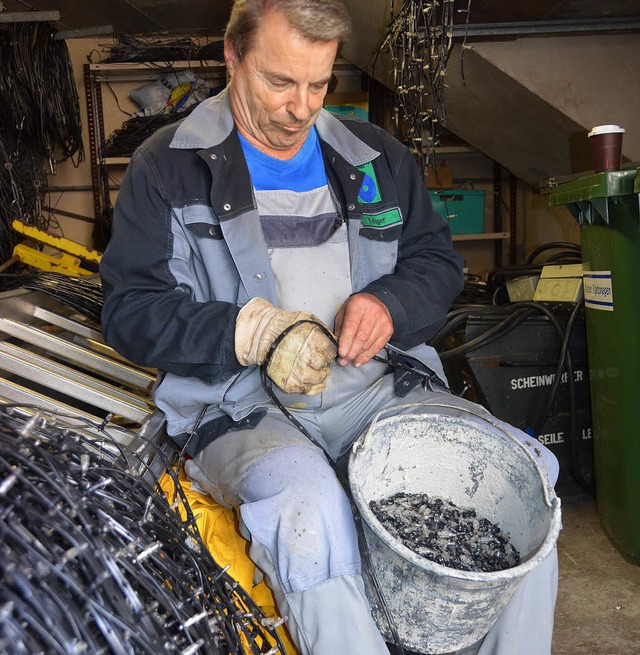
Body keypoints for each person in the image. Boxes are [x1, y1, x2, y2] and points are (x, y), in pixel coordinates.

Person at [100, 1, 560, 654]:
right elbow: (129, 310)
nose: (301, 107)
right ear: (232, 55)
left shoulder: (375, 159)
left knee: (527, 479)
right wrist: (251, 333)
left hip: (373, 389)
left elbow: (436, 261)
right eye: (280, 82)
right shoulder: (165, 167)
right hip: (238, 405)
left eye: (319, 84)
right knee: (307, 510)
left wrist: (391, 305)